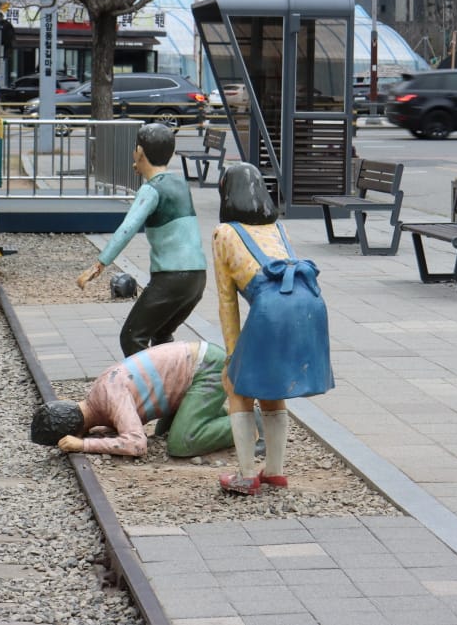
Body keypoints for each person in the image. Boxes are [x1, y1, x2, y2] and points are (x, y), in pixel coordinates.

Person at [212, 162, 333, 495]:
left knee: (238, 387)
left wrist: (231, 355)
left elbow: (227, 302)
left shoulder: (225, 233)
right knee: (273, 386)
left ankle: (246, 475)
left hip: (270, 306)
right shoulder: (279, 229)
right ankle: (275, 472)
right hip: (310, 301)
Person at [78, 122, 207, 356]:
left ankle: (146, 390)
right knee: (161, 336)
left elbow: (127, 229)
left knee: (132, 337)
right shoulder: (179, 182)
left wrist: (100, 263)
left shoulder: (151, 190)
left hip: (172, 277)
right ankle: (170, 387)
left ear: (140, 151)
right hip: (197, 278)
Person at [30, 340, 233, 458]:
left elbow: (137, 444)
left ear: (77, 431)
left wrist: (84, 445)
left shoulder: (111, 397)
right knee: (164, 432)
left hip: (207, 368)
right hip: (193, 366)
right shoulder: (98, 396)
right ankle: (211, 413)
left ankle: (250, 422)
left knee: (181, 443)